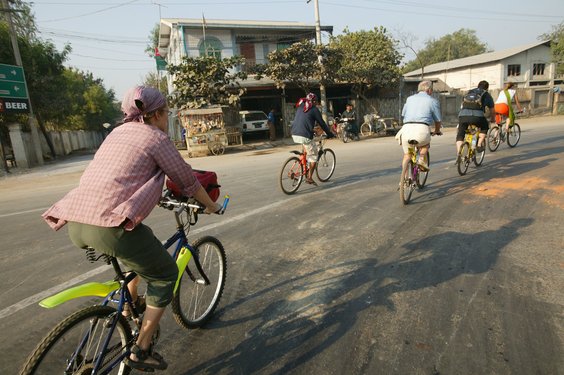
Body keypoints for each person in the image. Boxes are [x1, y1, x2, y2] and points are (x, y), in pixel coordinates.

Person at [42, 86, 222, 372]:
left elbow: (122, 175)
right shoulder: (157, 138)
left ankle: (128, 305)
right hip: (109, 225)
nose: (167, 119)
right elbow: (188, 180)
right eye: (167, 114)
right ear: (157, 114)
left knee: (140, 247)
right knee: (164, 273)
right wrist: (211, 206)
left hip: (76, 220)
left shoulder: (116, 133)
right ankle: (141, 349)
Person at [290, 92, 335, 185]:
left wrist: (312, 130)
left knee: (307, 148)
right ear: (314, 101)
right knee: (314, 156)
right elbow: (322, 123)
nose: (317, 103)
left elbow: (303, 122)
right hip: (304, 136)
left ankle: (303, 162)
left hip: (294, 133)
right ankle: (309, 178)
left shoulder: (301, 106)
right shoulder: (314, 109)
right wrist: (329, 134)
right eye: (317, 101)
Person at [397, 80, 442, 171]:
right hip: (422, 129)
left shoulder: (409, 99)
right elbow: (438, 120)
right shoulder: (432, 101)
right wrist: (437, 130)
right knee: (425, 145)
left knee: (407, 155)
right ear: (429, 90)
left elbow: (403, 114)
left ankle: (403, 181)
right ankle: (421, 159)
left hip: (406, 129)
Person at [457, 80, 495, 156]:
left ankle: (459, 153)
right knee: (484, 127)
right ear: (487, 88)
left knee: (460, 134)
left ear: (478, 85)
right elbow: (492, 110)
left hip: (463, 115)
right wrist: (492, 119)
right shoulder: (486, 94)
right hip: (477, 116)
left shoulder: (469, 92)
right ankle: (479, 144)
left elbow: (462, 105)